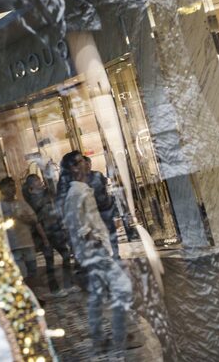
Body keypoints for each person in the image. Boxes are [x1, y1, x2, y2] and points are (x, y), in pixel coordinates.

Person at [59, 151, 139, 355]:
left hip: (96, 249)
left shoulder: (83, 189)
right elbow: (74, 223)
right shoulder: (76, 193)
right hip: (93, 251)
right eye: (79, 162)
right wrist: (92, 240)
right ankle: (123, 335)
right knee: (120, 287)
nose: (85, 164)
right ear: (73, 168)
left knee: (99, 295)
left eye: (84, 160)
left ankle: (101, 339)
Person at [21, 173, 75, 295]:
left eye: (39, 180)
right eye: (37, 181)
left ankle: (68, 284)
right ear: (31, 186)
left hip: (55, 230)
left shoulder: (47, 194)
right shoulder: (31, 201)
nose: (40, 182)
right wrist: (43, 238)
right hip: (43, 234)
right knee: (49, 261)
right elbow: (36, 221)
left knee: (66, 255)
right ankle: (55, 289)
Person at [0, 177, 49, 286]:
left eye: (13, 186)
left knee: (32, 272)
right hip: (13, 246)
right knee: (21, 275)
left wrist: (25, 218)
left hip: (27, 243)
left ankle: (34, 295)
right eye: (9, 186)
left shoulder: (21, 203)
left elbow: (34, 220)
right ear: (2, 189)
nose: (13, 189)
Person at [82, 156, 121, 259]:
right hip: (93, 212)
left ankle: (115, 254)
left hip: (105, 209)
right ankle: (105, 257)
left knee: (111, 232)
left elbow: (106, 190)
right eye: (85, 163)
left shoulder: (98, 175)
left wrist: (114, 212)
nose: (87, 165)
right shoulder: (80, 179)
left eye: (88, 163)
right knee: (98, 236)